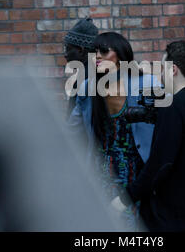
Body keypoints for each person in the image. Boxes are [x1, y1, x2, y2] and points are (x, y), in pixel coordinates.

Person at [113, 41, 185, 232]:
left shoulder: (172, 106)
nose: (160, 75)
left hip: (174, 218)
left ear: (173, 69)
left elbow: (160, 165)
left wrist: (124, 199)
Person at [67, 32, 159, 230]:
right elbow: (69, 132)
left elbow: (183, 112)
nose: (97, 56)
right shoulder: (88, 88)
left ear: (121, 55)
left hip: (135, 176)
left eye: (104, 51)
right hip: (99, 173)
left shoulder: (147, 84)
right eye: (94, 52)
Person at [63, 17, 98, 117]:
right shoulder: (100, 73)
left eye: (68, 49)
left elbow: (73, 123)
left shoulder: (83, 80)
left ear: (80, 50)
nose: (65, 54)